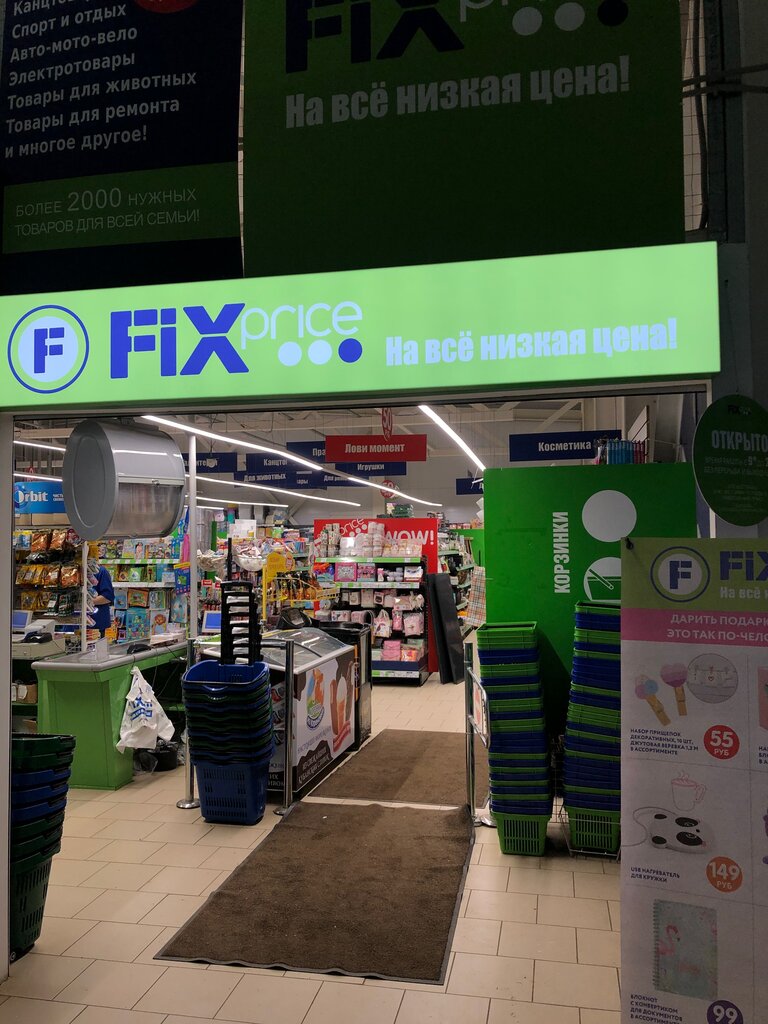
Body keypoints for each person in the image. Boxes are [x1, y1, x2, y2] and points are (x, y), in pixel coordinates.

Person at [90, 563, 115, 638]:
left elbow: (108, 597)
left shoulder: (100, 571)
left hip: (95, 624)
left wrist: (85, 602)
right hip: (70, 625)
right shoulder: (65, 572)